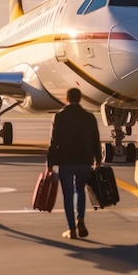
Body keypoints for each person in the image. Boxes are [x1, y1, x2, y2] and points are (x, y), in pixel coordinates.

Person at [48, 88, 102, 239]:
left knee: (68, 195)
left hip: (66, 161)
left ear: (66, 98)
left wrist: (50, 164)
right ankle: (81, 219)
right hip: (84, 160)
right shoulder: (89, 117)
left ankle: (71, 229)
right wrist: (98, 159)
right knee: (80, 190)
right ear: (80, 99)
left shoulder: (59, 116)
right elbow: (95, 140)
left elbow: (53, 143)